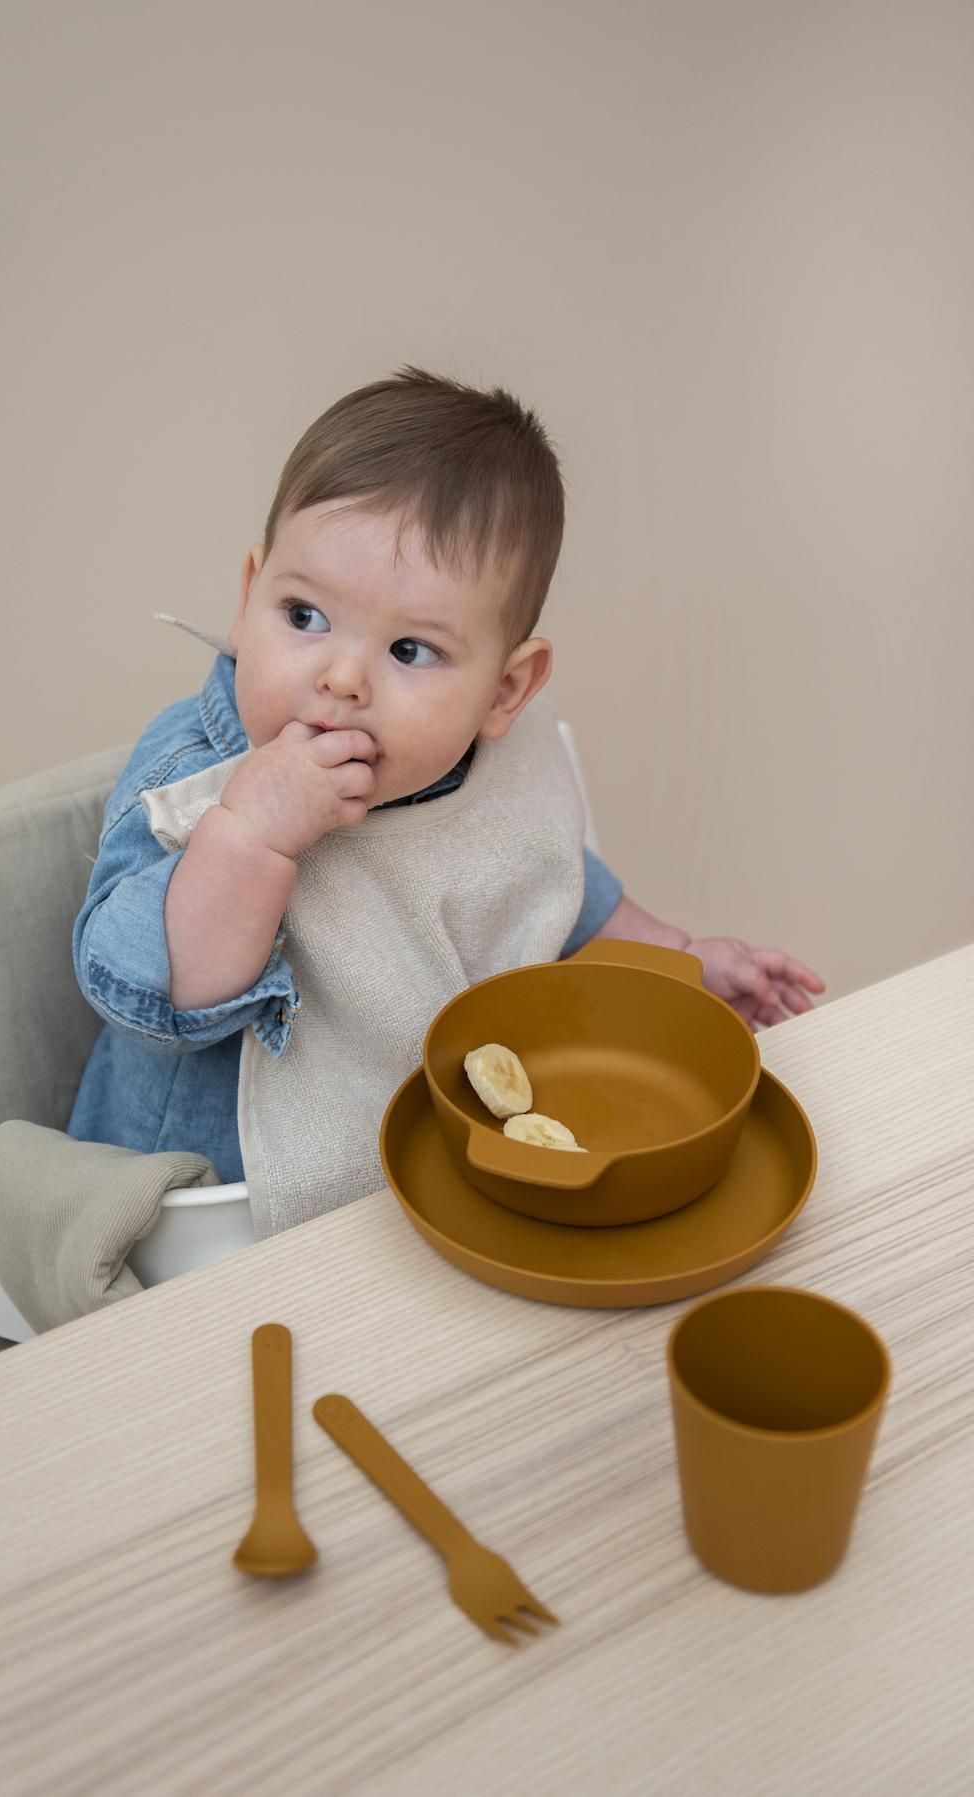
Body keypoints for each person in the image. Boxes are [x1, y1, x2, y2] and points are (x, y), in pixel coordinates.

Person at [68, 366, 824, 1235]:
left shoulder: (485, 762)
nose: (341, 678)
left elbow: (542, 877)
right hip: (212, 1206)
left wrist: (681, 955)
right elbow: (156, 994)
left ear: (507, 690)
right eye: (304, 616)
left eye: (411, 651)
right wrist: (250, 833)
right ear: (247, 601)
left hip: (421, 1181)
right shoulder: (193, 781)